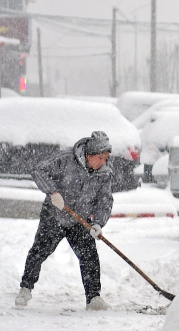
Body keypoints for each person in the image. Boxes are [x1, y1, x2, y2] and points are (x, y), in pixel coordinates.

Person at [15, 131, 114, 310]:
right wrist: (53, 192)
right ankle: (25, 288)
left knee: (89, 256)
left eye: (105, 158)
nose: (103, 162)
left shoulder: (104, 174)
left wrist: (98, 223)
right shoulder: (66, 160)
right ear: (89, 155)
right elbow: (38, 170)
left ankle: (93, 298)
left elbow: (104, 200)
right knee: (40, 251)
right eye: (100, 157)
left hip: (79, 220)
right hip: (55, 215)